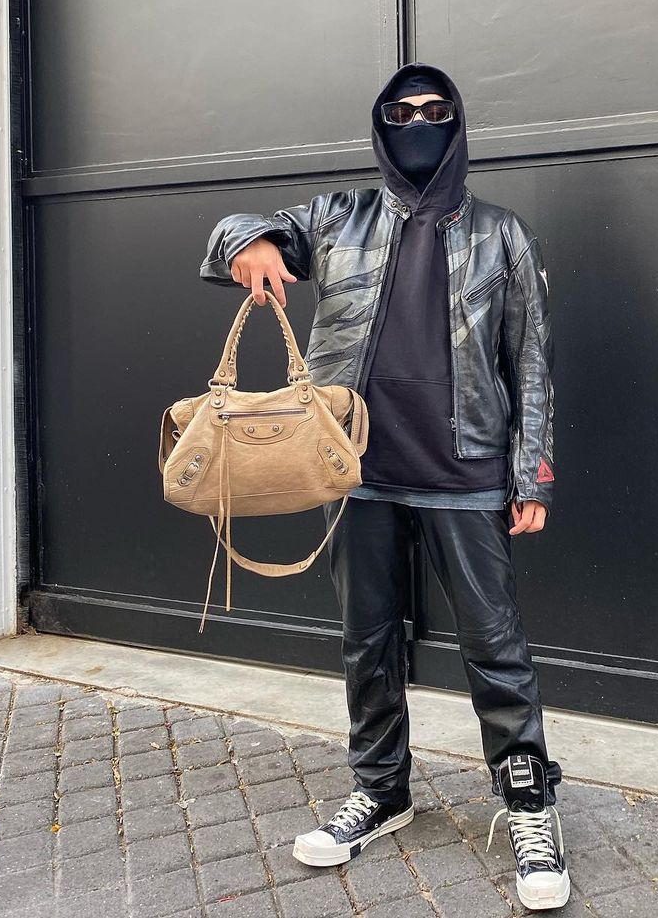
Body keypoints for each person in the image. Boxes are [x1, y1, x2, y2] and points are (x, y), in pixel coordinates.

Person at [200, 62, 569, 910]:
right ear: (380, 127)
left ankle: (528, 804)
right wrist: (247, 242)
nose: (418, 124)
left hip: (466, 474)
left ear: (457, 124)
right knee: (367, 643)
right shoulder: (339, 218)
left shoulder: (503, 234)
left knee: (495, 648)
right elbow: (235, 233)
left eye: (434, 111)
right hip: (357, 472)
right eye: (401, 114)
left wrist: (533, 473)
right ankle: (381, 790)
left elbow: (532, 363)